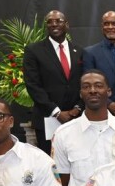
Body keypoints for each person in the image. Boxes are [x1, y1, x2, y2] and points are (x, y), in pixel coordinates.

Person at [22, 9, 84, 151]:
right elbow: (33, 85)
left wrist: (77, 108)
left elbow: (85, 84)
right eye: (50, 22)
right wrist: (56, 112)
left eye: (58, 21)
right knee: (51, 164)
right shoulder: (34, 51)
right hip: (47, 118)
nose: (54, 24)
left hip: (76, 118)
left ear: (67, 25)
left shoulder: (79, 51)